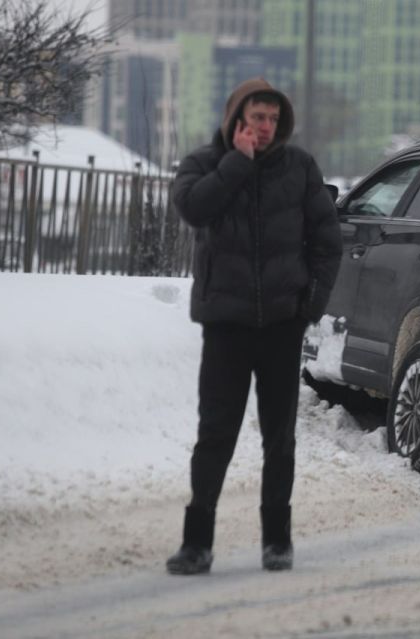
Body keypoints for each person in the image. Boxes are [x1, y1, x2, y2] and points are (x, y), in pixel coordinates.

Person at [165, 77, 342, 575]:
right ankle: (196, 544)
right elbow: (193, 208)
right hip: (226, 325)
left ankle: (277, 541)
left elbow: (328, 242)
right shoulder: (205, 163)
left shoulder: (299, 167)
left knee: (278, 437)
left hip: (282, 325)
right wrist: (237, 164)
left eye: (272, 118)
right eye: (256, 117)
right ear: (235, 119)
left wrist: (308, 305)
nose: (265, 127)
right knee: (215, 433)